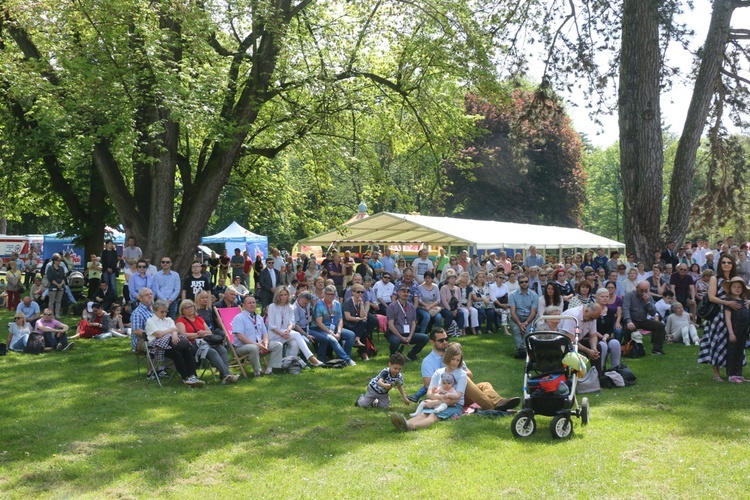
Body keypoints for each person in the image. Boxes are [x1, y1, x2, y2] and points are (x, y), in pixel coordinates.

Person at [390, 342, 467, 432]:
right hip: (436, 401)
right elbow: (429, 394)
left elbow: (457, 397)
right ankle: (404, 424)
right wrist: (441, 398)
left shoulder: (462, 374)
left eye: (458, 360)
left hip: (454, 405)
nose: (455, 362)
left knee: (433, 416)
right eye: (453, 359)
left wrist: (438, 399)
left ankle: (411, 426)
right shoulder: (439, 372)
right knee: (422, 414)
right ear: (447, 358)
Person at [698, 255, 742, 381]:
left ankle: (733, 372)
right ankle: (716, 374)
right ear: (720, 264)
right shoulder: (714, 278)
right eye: (723, 262)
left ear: (733, 264)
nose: (726, 264)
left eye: (729, 262)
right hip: (718, 315)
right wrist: (727, 303)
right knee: (717, 342)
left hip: (735, 314)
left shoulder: (736, 278)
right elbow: (711, 297)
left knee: (735, 342)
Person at [175, 299, 239, 384]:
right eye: (186, 308)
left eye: (191, 306)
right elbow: (183, 335)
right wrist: (198, 334)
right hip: (192, 344)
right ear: (182, 311)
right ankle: (227, 374)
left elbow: (209, 332)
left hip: (206, 341)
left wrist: (203, 333)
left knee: (222, 350)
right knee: (211, 351)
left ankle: (223, 376)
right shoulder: (181, 320)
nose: (190, 309)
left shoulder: (199, 318)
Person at [146, 300, 204, 387]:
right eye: (162, 311)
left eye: (166, 311)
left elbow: (175, 330)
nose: (164, 313)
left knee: (186, 349)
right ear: (155, 311)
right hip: (158, 346)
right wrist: (171, 330)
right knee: (176, 353)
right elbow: (159, 334)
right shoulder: (150, 321)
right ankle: (185, 377)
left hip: (173, 343)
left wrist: (174, 334)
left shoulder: (168, 319)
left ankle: (192, 376)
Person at [267, 287, 324, 366]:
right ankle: (312, 358)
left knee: (295, 344)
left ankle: (287, 365)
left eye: (285, 295)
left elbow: (292, 322)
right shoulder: (272, 307)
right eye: (281, 295)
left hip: (287, 333)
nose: (283, 297)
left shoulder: (290, 307)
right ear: (277, 296)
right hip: (274, 334)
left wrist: (288, 331)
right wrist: (282, 333)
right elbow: (271, 325)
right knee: (297, 335)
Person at [231, 295, 283, 376]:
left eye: (254, 302)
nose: (252, 304)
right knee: (254, 348)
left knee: (278, 345)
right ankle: (257, 372)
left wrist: (265, 343)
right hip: (242, 347)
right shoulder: (239, 318)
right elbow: (240, 336)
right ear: (243, 306)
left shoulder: (259, 317)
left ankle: (269, 370)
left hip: (259, 344)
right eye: (249, 303)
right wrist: (256, 345)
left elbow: (265, 333)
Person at [309, 285, 356, 365]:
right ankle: (347, 360)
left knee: (351, 335)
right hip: (319, 329)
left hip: (333, 328)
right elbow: (319, 323)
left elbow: (340, 320)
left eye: (332, 294)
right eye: (328, 294)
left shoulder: (337, 304)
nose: (330, 296)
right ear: (324, 294)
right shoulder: (319, 305)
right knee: (332, 339)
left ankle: (344, 357)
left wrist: (339, 332)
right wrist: (331, 333)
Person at [622, 281, 667, 355]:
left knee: (660, 326)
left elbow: (653, 313)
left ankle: (657, 349)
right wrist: (629, 321)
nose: (643, 292)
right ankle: (627, 348)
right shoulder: (629, 295)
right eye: (641, 290)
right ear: (637, 288)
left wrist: (647, 303)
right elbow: (626, 309)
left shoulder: (648, 297)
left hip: (643, 320)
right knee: (627, 328)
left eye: (646, 291)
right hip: (632, 320)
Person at [386, 283, 429, 360]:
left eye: (407, 291)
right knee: (395, 341)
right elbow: (391, 325)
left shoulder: (411, 307)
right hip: (395, 334)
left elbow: (413, 323)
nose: (405, 293)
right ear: (398, 293)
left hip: (408, 334)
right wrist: (401, 337)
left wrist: (410, 336)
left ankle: (411, 355)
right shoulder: (392, 306)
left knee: (425, 338)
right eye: (403, 291)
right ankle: (393, 355)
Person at [722, 276, 750, 383]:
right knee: (733, 351)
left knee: (740, 352)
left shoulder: (745, 301)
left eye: (739, 287)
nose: (737, 289)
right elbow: (728, 319)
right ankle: (731, 374)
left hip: (744, 329)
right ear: (730, 288)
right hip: (735, 328)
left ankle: (739, 374)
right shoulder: (729, 301)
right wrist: (731, 333)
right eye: (734, 287)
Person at [342, 283, 378, 355]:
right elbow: (347, 317)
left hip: (356, 324)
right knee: (363, 331)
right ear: (353, 292)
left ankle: (357, 339)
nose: (360, 294)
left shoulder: (360, 301)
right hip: (347, 324)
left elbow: (364, 316)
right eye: (358, 292)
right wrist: (358, 319)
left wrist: (361, 305)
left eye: (362, 292)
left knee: (364, 323)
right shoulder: (347, 302)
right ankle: (364, 354)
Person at [509, 275, 539, 359]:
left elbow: (533, 313)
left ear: (529, 282)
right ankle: (521, 350)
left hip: (529, 318)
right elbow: (512, 312)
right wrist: (519, 324)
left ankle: (525, 350)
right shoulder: (512, 295)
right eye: (522, 282)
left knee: (527, 332)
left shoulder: (534, 295)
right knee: (516, 330)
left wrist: (525, 323)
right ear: (518, 284)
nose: (524, 283)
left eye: (526, 281)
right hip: (516, 318)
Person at [439, 269, 464, 334]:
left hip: (455, 308)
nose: (453, 280)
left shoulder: (457, 288)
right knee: (449, 314)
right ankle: (446, 330)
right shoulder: (444, 288)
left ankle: (460, 331)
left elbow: (459, 300)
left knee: (461, 313)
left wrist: (457, 309)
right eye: (451, 278)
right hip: (445, 308)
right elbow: (444, 301)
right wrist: (450, 310)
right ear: (448, 280)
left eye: (454, 278)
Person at [46, 254, 67, 319]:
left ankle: (57, 313)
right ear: (54, 261)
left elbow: (64, 277)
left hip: (61, 286)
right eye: (58, 260)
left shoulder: (61, 268)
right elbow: (50, 278)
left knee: (58, 301)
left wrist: (61, 284)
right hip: (53, 286)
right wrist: (57, 284)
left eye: (60, 260)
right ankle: (51, 314)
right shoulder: (50, 268)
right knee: (51, 301)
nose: (60, 261)